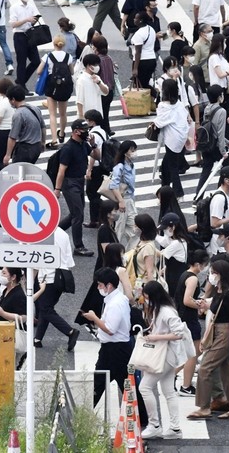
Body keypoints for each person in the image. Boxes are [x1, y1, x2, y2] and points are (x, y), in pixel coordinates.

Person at [189, 260, 229, 419]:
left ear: (221, 274)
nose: (211, 276)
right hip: (219, 332)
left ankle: (204, 407)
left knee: (205, 368)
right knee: (227, 371)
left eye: (214, 273)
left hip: (224, 333)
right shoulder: (219, 291)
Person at [138, 281, 190, 440]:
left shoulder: (166, 312)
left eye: (146, 297)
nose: (145, 300)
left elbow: (179, 333)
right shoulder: (160, 309)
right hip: (167, 355)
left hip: (165, 355)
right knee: (168, 391)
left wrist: (156, 337)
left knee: (145, 387)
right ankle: (174, 428)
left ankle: (154, 425)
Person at [83, 268, 133, 407]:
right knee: (127, 385)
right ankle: (141, 416)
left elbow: (110, 329)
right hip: (119, 348)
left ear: (109, 285)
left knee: (99, 382)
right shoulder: (118, 298)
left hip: (114, 349)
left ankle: (84, 411)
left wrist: (94, 318)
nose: (98, 288)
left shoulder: (115, 303)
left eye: (100, 285)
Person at [54, 119, 94, 257]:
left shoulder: (83, 144)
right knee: (78, 214)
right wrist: (57, 189)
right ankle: (78, 246)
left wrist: (93, 145)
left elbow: (96, 155)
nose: (87, 132)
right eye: (84, 130)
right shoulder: (68, 148)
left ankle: (54, 232)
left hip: (79, 181)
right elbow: (61, 170)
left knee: (75, 212)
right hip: (69, 183)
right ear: (76, 131)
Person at [175, 249, 209, 397]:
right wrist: (201, 305)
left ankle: (173, 375)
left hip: (185, 317)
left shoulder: (184, 274)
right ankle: (186, 386)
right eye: (204, 265)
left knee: (193, 351)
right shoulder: (193, 278)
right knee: (193, 353)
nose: (205, 268)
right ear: (197, 264)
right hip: (189, 318)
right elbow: (187, 300)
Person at [154, 79, 190, 198]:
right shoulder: (178, 104)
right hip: (181, 137)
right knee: (165, 164)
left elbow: (159, 122)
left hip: (172, 139)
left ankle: (178, 193)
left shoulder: (163, 106)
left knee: (172, 167)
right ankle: (164, 188)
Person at [2, 85, 46, 166]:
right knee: (29, 171)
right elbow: (43, 126)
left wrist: (8, 155)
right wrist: (43, 142)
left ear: (13, 100)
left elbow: (12, 137)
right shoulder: (35, 108)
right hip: (36, 147)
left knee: (19, 173)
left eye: (9, 99)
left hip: (24, 150)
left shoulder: (18, 114)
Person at [8, 0, 40, 89]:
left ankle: (20, 81)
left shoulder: (31, 6)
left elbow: (33, 19)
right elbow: (13, 24)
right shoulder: (15, 7)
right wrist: (27, 19)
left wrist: (34, 20)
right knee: (21, 62)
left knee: (36, 61)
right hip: (19, 36)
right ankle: (21, 85)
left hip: (30, 35)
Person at [109, 141, 138, 249]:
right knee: (119, 230)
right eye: (132, 150)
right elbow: (113, 185)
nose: (134, 152)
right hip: (123, 201)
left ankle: (129, 254)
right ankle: (113, 253)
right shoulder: (120, 166)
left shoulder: (130, 165)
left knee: (134, 229)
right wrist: (121, 201)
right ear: (125, 152)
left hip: (130, 200)